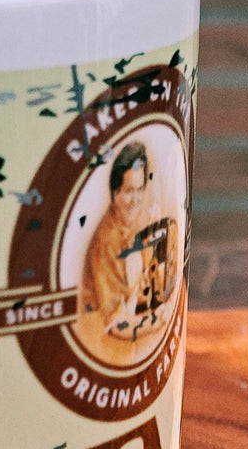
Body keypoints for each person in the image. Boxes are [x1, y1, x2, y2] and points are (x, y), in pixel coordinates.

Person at [76, 139, 178, 365]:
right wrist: (159, 319)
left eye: (140, 189)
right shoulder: (107, 241)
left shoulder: (138, 224)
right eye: (128, 191)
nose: (135, 200)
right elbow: (115, 323)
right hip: (101, 345)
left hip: (136, 338)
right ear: (114, 194)